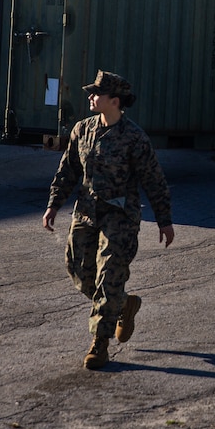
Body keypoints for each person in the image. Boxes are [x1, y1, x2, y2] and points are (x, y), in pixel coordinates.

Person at [42, 70, 175, 370]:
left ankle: (99, 344)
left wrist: (164, 220)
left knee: (109, 277)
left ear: (114, 101)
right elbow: (68, 172)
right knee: (77, 269)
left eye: (96, 94)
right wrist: (53, 206)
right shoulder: (82, 129)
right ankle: (122, 304)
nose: (90, 97)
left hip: (120, 217)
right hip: (86, 212)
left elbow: (154, 180)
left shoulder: (134, 138)